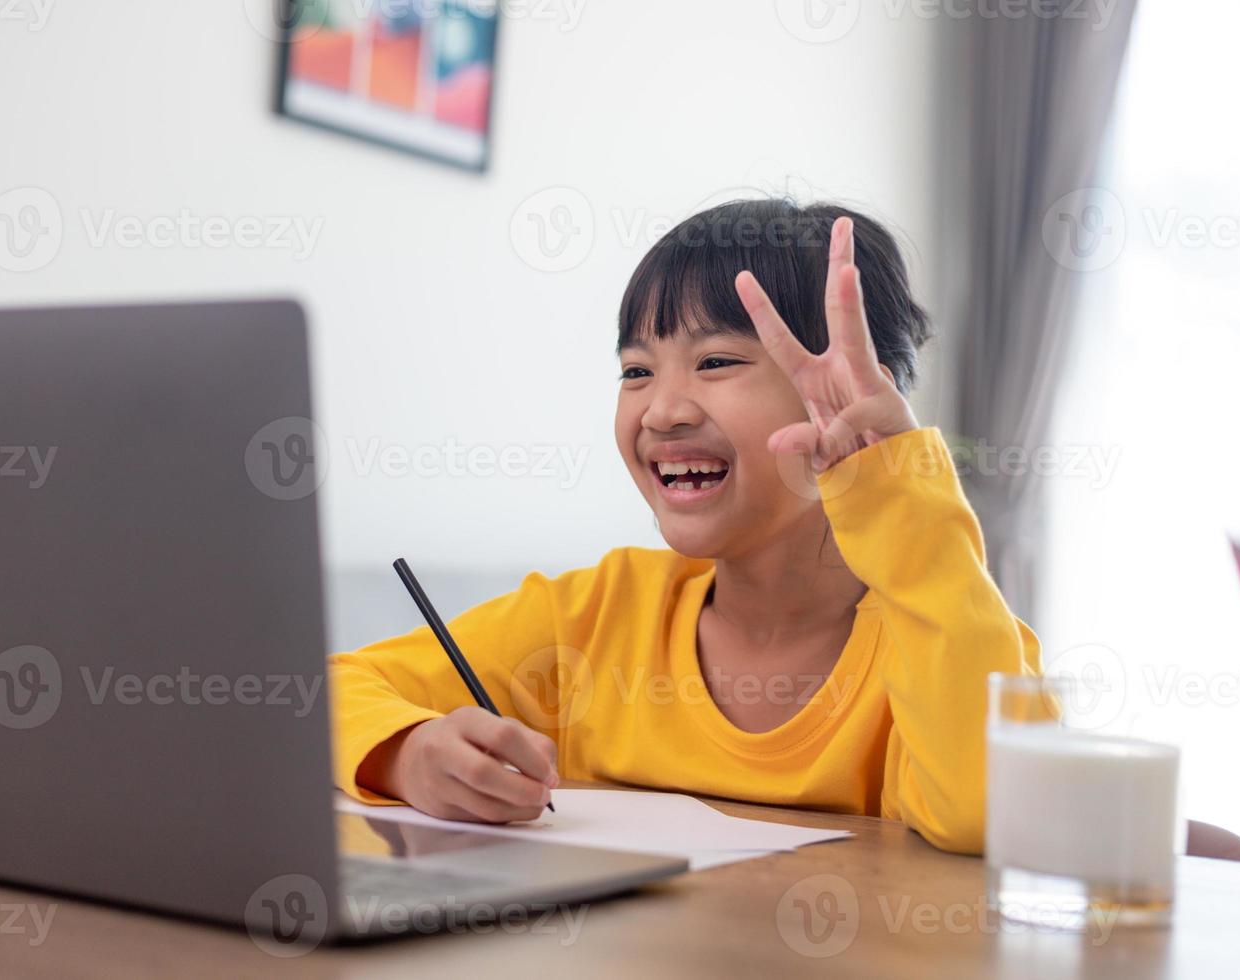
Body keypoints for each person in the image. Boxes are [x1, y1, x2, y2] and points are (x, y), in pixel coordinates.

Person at [328, 198, 1038, 855]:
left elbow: (992, 811)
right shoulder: (593, 617)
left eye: (717, 361)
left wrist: (897, 487)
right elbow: (323, 691)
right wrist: (408, 753)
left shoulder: (943, 633)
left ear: (854, 391)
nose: (661, 409)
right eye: (635, 371)